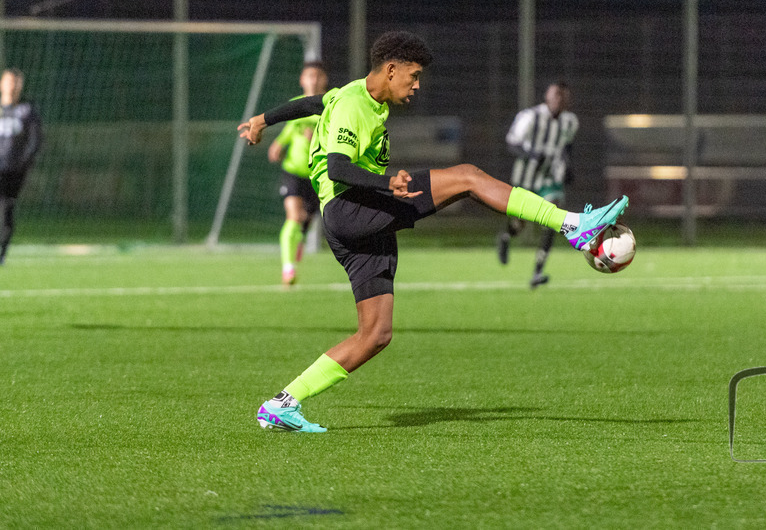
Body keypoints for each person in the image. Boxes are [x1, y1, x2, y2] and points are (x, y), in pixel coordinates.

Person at [237, 31, 629, 433]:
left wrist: (262, 120)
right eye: (413, 75)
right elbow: (337, 166)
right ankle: (573, 225)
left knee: (375, 334)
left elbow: (311, 103)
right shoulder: (354, 105)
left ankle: (282, 404)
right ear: (391, 70)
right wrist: (386, 183)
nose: (417, 85)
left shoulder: (351, 93)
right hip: (352, 208)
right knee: (468, 178)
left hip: (352, 223)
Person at [497, 82, 579, 288]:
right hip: (526, 177)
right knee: (520, 223)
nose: (559, 100)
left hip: (550, 178)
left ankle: (538, 271)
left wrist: (568, 168)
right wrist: (533, 155)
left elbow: (566, 147)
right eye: (556, 95)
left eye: (563, 96)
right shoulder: (531, 116)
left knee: (554, 217)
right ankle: (507, 236)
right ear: (547, 96)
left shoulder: (570, 122)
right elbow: (512, 142)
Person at [267, 61, 329, 285]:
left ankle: (299, 238)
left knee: (304, 221)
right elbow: (289, 129)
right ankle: (288, 269)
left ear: (324, 80)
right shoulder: (295, 105)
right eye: (309, 76)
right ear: (302, 80)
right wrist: (278, 144)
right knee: (293, 217)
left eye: (317, 76)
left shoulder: (330, 105)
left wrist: (320, 137)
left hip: (317, 174)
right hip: (293, 170)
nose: (313, 80)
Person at [0, 68, 42, 265]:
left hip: (13, 170)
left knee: (6, 208)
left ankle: (2, 251)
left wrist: (24, 162)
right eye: (9, 81)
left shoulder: (26, 110)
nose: (12, 86)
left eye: (16, 82)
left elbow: (35, 140)